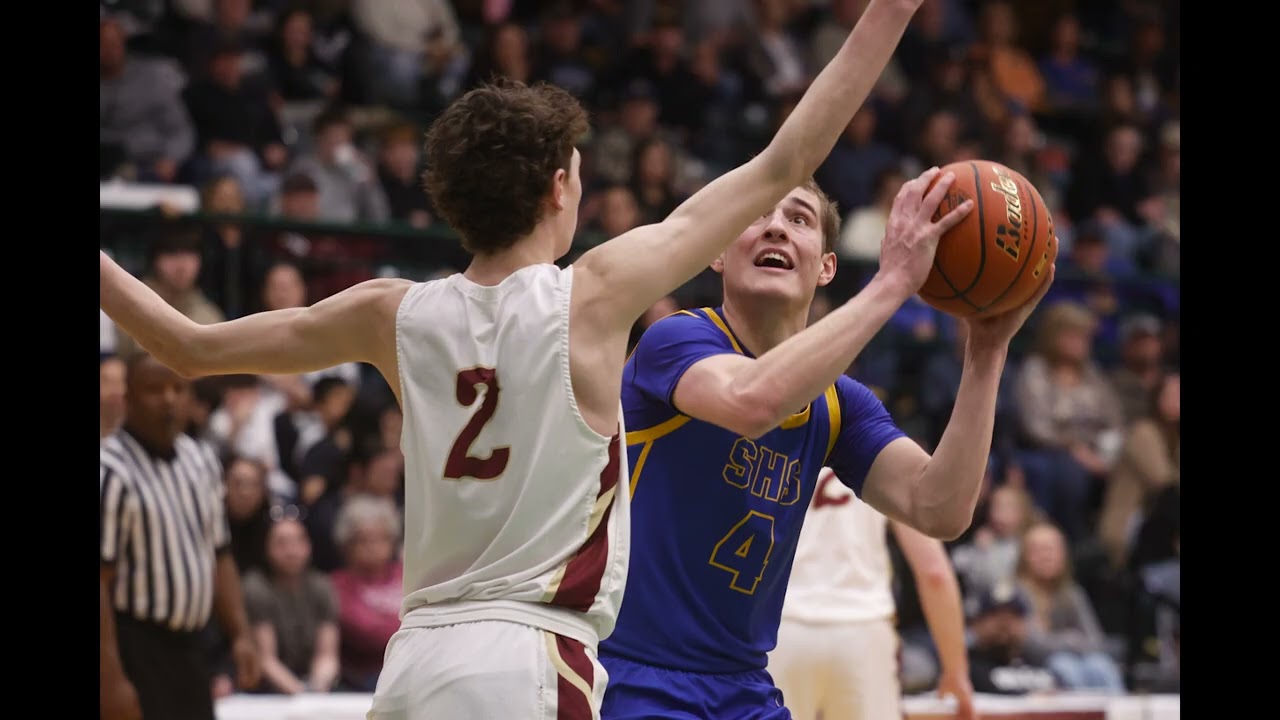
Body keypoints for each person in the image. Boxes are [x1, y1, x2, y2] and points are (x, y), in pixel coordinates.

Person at [98, 2, 924, 712]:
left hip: (415, 657)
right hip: (532, 655)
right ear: (562, 189)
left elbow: (186, 345)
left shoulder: (390, 312)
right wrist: (889, 13)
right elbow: (783, 161)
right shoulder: (593, 295)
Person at [598, 162, 1054, 717]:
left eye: (799, 219)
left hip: (743, 684)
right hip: (636, 674)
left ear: (825, 267)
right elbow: (753, 402)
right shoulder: (676, 340)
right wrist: (891, 284)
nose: (776, 228)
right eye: (758, 215)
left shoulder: (840, 404)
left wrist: (986, 352)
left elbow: (939, 508)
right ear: (717, 251)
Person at [100, 354, 261, 720]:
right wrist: (109, 681)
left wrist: (241, 634)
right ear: (127, 398)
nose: (169, 399)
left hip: (192, 646)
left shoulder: (201, 460)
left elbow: (220, 554)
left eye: (178, 388)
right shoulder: (109, 470)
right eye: (154, 390)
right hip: (133, 646)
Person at [770, 467, 977, 720]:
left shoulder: (771, 439)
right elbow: (934, 572)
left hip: (782, 626)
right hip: (863, 629)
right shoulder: (882, 448)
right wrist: (955, 670)